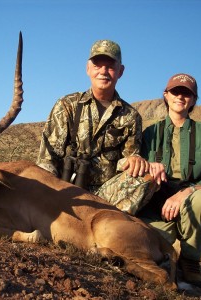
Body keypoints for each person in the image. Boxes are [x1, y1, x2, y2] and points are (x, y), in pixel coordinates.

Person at [37, 39, 154, 214]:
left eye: (110, 66)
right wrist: (50, 193)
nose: (103, 72)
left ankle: (110, 220)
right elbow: (47, 159)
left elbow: (128, 160)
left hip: (105, 197)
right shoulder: (67, 105)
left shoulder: (131, 116)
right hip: (64, 190)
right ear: (88, 68)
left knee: (147, 177)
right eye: (98, 65)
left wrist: (135, 160)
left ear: (120, 71)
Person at [138, 73, 201, 287]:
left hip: (192, 198)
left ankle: (191, 260)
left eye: (186, 93)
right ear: (166, 95)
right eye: (175, 91)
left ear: (194, 99)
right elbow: (136, 168)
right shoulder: (149, 133)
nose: (180, 96)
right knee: (146, 253)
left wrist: (186, 192)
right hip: (157, 204)